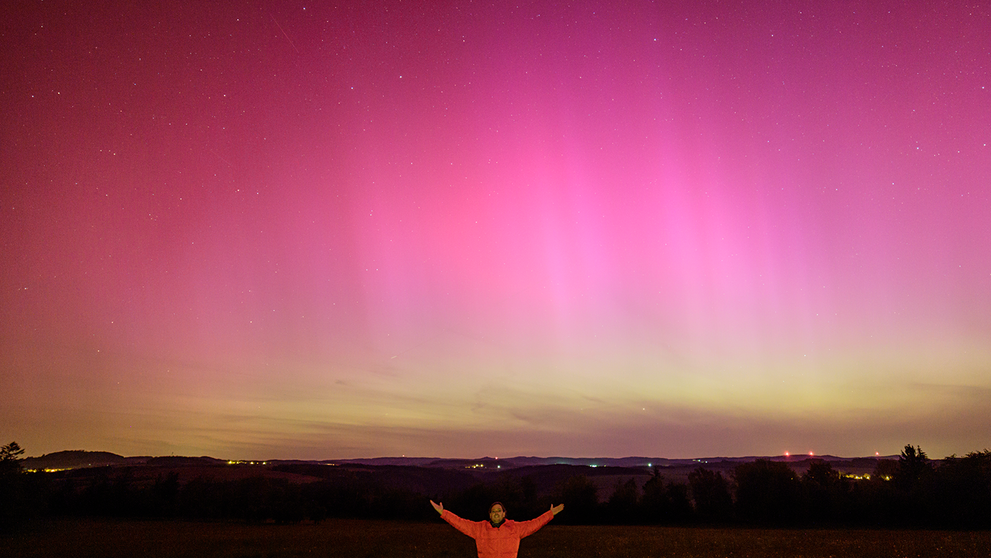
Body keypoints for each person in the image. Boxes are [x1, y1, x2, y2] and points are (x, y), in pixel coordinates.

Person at [430, 499, 564, 558]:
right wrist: (443, 513)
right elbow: (460, 523)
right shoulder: (480, 528)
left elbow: (534, 524)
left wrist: (550, 514)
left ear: (504, 513)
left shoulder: (515, 528)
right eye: (493, 511)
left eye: (499, 511)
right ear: (490, 514)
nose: (496, 513)